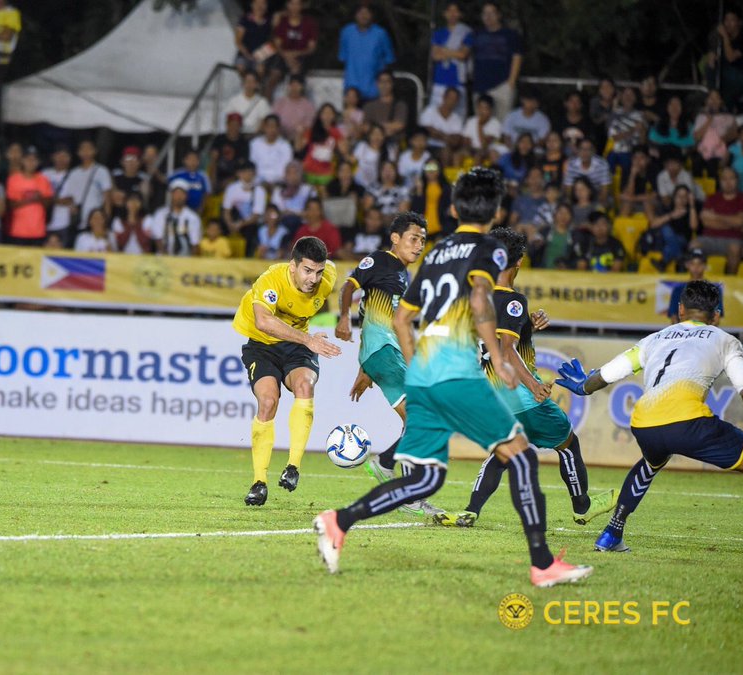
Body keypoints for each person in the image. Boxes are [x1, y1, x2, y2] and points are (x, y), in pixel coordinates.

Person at [313, 167, 592, 587]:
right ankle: (542, 564)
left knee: (427, 476)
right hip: (457, 369)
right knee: (521, 455)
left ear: (453, 208)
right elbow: (481, 300)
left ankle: (338, 521)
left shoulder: (437, 254)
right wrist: (497, 357)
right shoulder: (490, 250)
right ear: (494, 209)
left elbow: (404, 318)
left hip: (429, 370)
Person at [554, 280, 743, 554]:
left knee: (650, 464)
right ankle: (610, 533)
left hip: (644, 423)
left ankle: (611, 533)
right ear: (717, 315)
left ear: (680, 310)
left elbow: (606, 375)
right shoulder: (725, 340)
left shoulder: (654, 338)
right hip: (690, 423)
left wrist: (584, 387)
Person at [436, 228, 614, 528]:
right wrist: (533, 385)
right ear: (519, 261)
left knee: (503, 453)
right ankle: (582, 505)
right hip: (522, 395)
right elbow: (505, 350)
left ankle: (471, 511)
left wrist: (527, 325)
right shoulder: (512, 300)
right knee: (568, 445)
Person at [334, 212, 438, 517]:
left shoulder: (404, 276)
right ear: (395, 238)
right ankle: (397, 478)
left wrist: (364, 370)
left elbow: (372, 315)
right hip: (383, 351)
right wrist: (343, 318)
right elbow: (348, 288)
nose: (419, 246)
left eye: (423, 240)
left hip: (381, 353)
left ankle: (398, 477)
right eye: (413, 238)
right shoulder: (379, 260)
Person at [234, 236, 340, 505]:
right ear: (292, 266)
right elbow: (263, 321)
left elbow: (326, 302)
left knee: (305, 386)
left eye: (318, 271)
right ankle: (259, 482)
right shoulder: (271, 280)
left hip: (297, 346)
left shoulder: (327, 279)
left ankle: (293, 467)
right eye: (307, 271)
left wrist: (337, 324)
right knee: (268, 401)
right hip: (263, 345)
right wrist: (309, 340)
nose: (314, 279)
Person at [471, 2, 522, 119]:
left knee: (502, 124)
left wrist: (511, 83)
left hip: (502, 85)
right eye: (485, 13)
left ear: (499, 15)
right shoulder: (476, 34)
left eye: (491, 13)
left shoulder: (510, 35)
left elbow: (517, 57)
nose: (488, 16)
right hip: (480, 86)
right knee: (481, 123)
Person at [697, 166, 743, 274]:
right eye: (724, 179)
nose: (728, 182)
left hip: (733, 239)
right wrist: (733, 223)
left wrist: (715, 216)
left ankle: (730, 283)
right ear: (720, 181)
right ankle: (697, 282)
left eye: (731, 178)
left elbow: (740, 221)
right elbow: (706, 222)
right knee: (694, 246)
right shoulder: (711, 198)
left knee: (735, 249)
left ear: (737, 180)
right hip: (709, 238)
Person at [339, 3, 394, 102]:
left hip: (374, 91)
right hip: (352, 90)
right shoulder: (347, 32)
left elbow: (389, 60)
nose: (363, 16)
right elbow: (343, 58)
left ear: (372, 15)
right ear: (355, 15)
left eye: (367, 13)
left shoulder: (381, 34)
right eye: (360, 12)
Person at [429, 1, 471, 116]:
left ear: (460, 14)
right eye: (449, 11)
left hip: (458, 81)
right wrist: (455, 52)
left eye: (455, 11)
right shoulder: (438, 33)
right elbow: (436, 56)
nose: (452, 14)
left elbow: (463, 55)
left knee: (458, 116)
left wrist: (445, 50)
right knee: (436, 115)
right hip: (440, 81)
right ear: (445, 14)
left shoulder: (465, 33)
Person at [6, 147, 52, 246]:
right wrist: (30, 199)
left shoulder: (44, 180)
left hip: (38, 231)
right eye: (28, 159)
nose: (31, 162)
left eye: (34, 160)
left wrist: (40, 198)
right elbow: (11, 205)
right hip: (18, 231)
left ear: (38, 162)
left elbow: (48, 205)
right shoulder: (13, 179)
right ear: (22, 160)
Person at [269, 0, 319, 94]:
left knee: (296, 74)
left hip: (302, 55)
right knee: (274, 74)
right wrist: (287, 57)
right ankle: (266, 101)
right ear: (287, 5)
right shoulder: (282, 21)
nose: (295, 7)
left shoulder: (309, 23)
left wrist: (296, 54)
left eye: (297, 4)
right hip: (283, 54)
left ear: (302, 6)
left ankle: (298, 103)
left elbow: (311, 48)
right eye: (292, 3)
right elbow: (277, 44)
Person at [667, 250, 723, 323]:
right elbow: (673, 317)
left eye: (700, 264)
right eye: (692, 263)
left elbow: (716, 318)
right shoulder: (678, 290)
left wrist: (707, 332)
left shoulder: (714, 290)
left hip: (706, 331)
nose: (696, 267)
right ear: (687, 265)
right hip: (684, 331)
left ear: (705, 266)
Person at [150, 180, 202, 256]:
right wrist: (168, 258)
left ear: (186, 196)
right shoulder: (161, 214)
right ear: (171, 194)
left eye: (182, 193)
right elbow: (158, 239)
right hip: (163, 259)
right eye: (176, 193)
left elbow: (195, 243)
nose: (179, 196)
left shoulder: (193, 218)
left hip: (185, 261)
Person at [419, 86, 465, 165]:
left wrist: (437, 134)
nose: (452, 101)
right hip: (428, 146)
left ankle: (445, 175)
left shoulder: (457, 119)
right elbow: (427, 131)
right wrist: (447, 137)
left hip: (447, 149)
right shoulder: (430, 111)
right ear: (444, 97)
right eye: (450, 98)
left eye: (455, 99)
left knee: (449, 151)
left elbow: (455, 141)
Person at [249, 115, 293, 186]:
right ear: (264, 127)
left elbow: (286, 168)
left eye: (275, 127)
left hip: (278, 182)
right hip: (258, 182)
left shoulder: (285, 146)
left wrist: (274, 182)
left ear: (279, 128)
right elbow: (252, 165)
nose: (272, 130)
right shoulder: (255, 144)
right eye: (269, 126)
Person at [234, 0, 272, 78]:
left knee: (260, 69)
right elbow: (238, 41)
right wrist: (247, 55)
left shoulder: (270, 21)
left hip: (262, 54)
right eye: (257, 3)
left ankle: (257, 87)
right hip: (245, 52)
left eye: (263, 3)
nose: (260, 6)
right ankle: (247, 85)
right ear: (252, 5)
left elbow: (273, 44)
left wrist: (260, 55)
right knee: (240, 66)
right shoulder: (244, 20)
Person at [272, 74, 316, 142]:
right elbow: (273, 119)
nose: (294, 88)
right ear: (288, 86)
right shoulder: (280, 103)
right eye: (292, 85)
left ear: (302, 87)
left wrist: (301, 128)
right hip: (280, 138)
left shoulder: (308, 105)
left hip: (300, 140)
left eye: (297, 85)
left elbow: (310, 124)